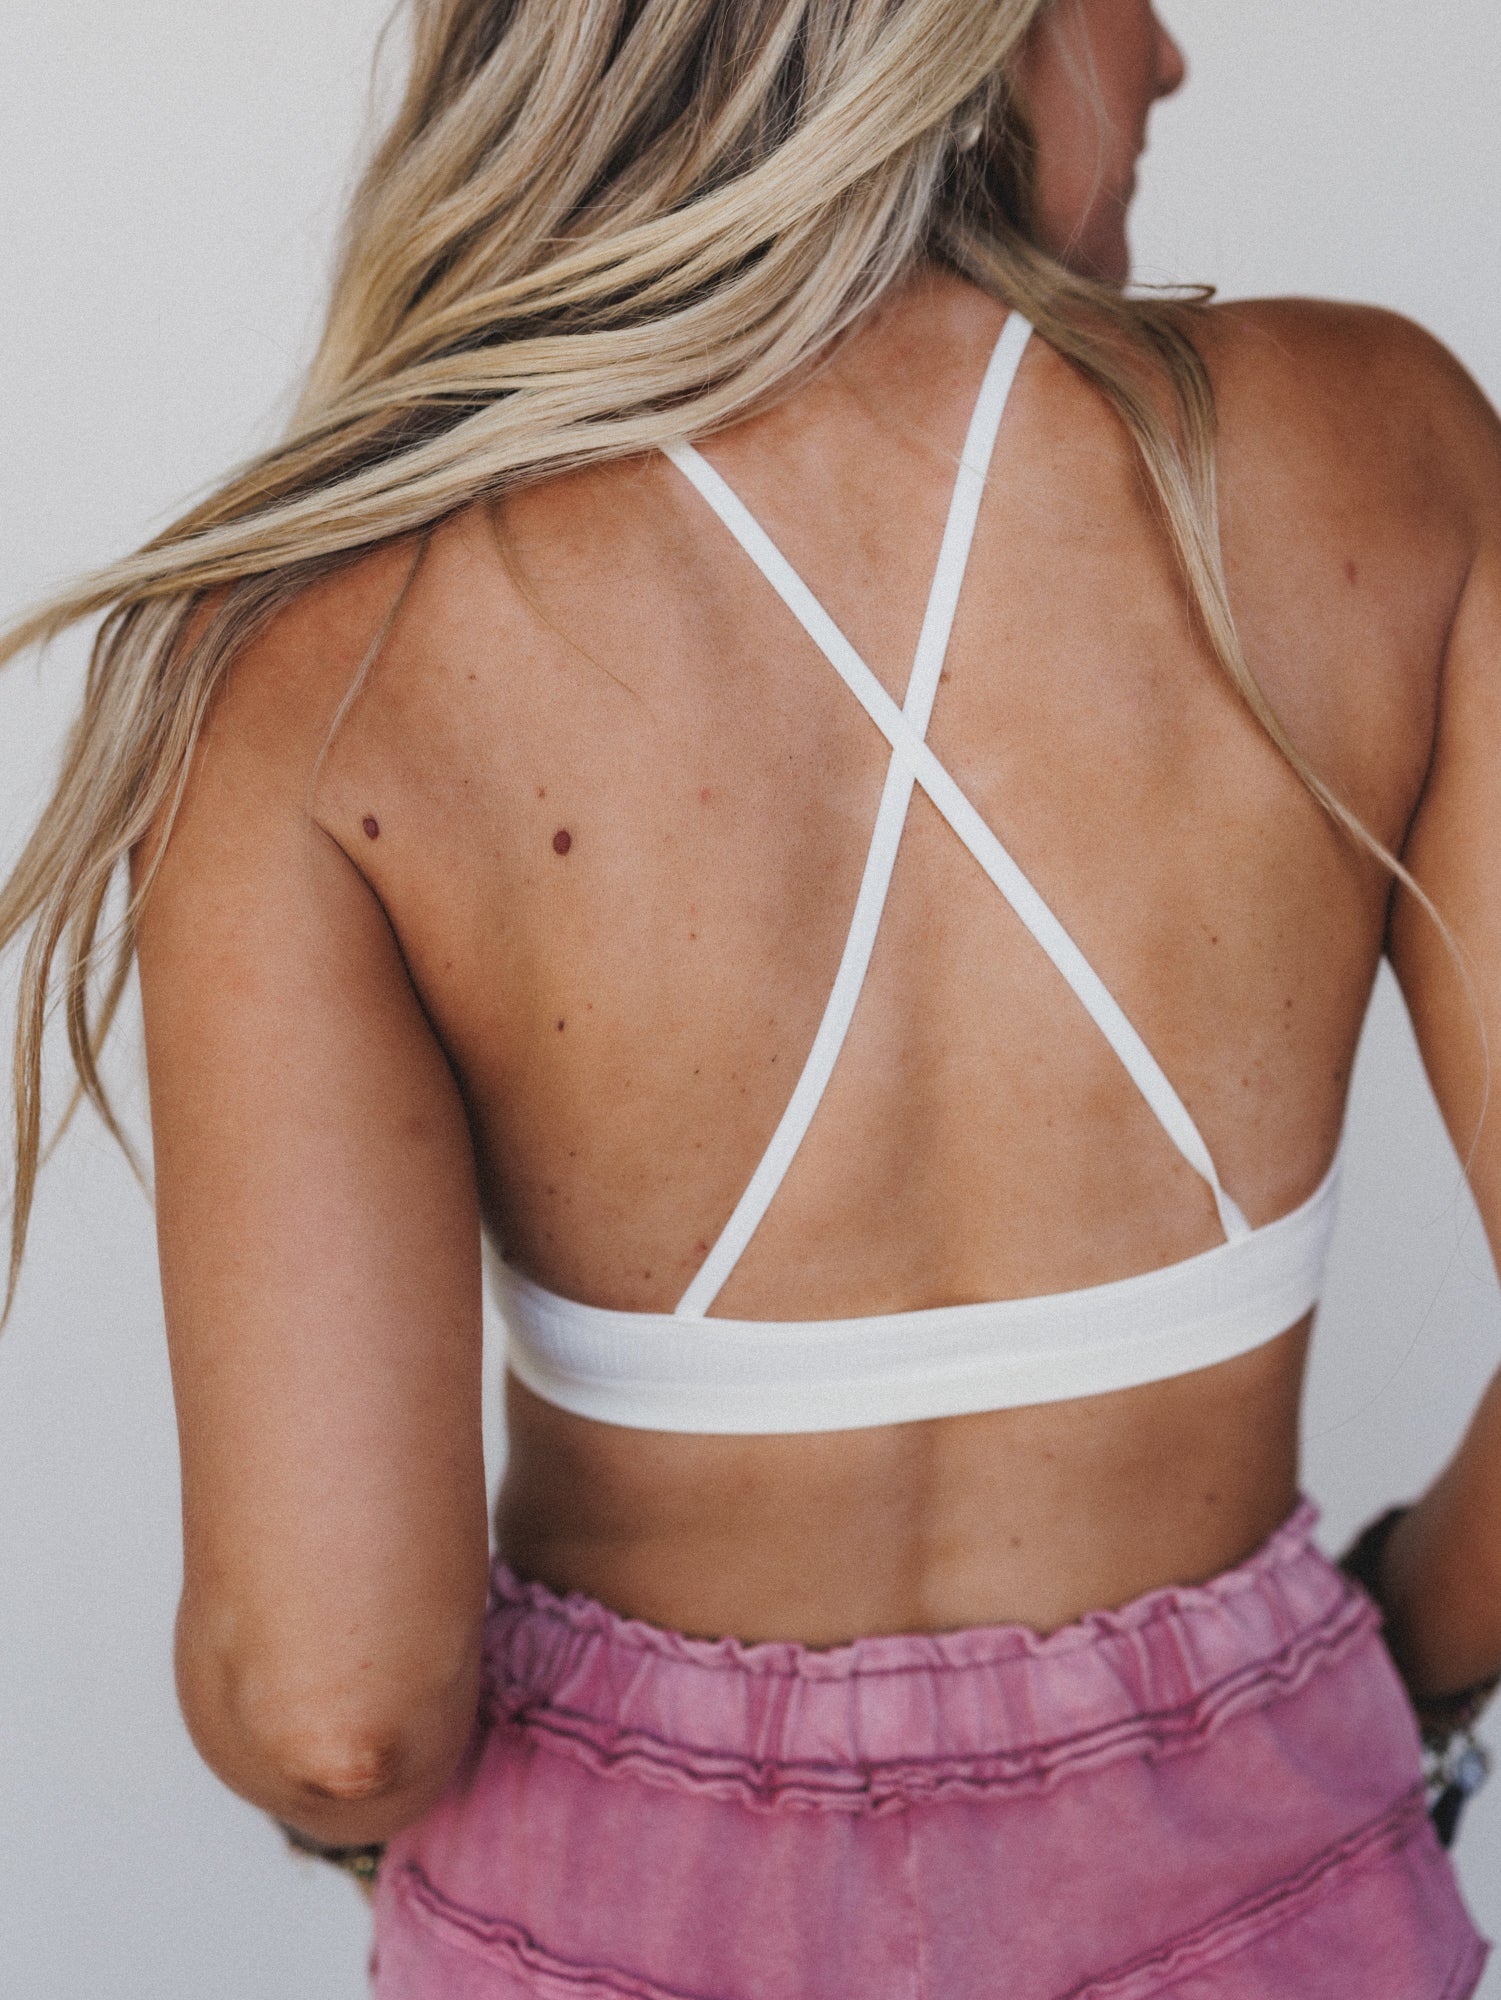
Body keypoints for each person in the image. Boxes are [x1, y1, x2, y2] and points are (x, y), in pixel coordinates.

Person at [2, 0, 1497, 1993]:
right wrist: (1400, 1646)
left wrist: (341, 1818)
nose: (1163, 55)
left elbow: (334, 1705)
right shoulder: (1379, 453)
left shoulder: (308, 648)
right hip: (1268, 1878)